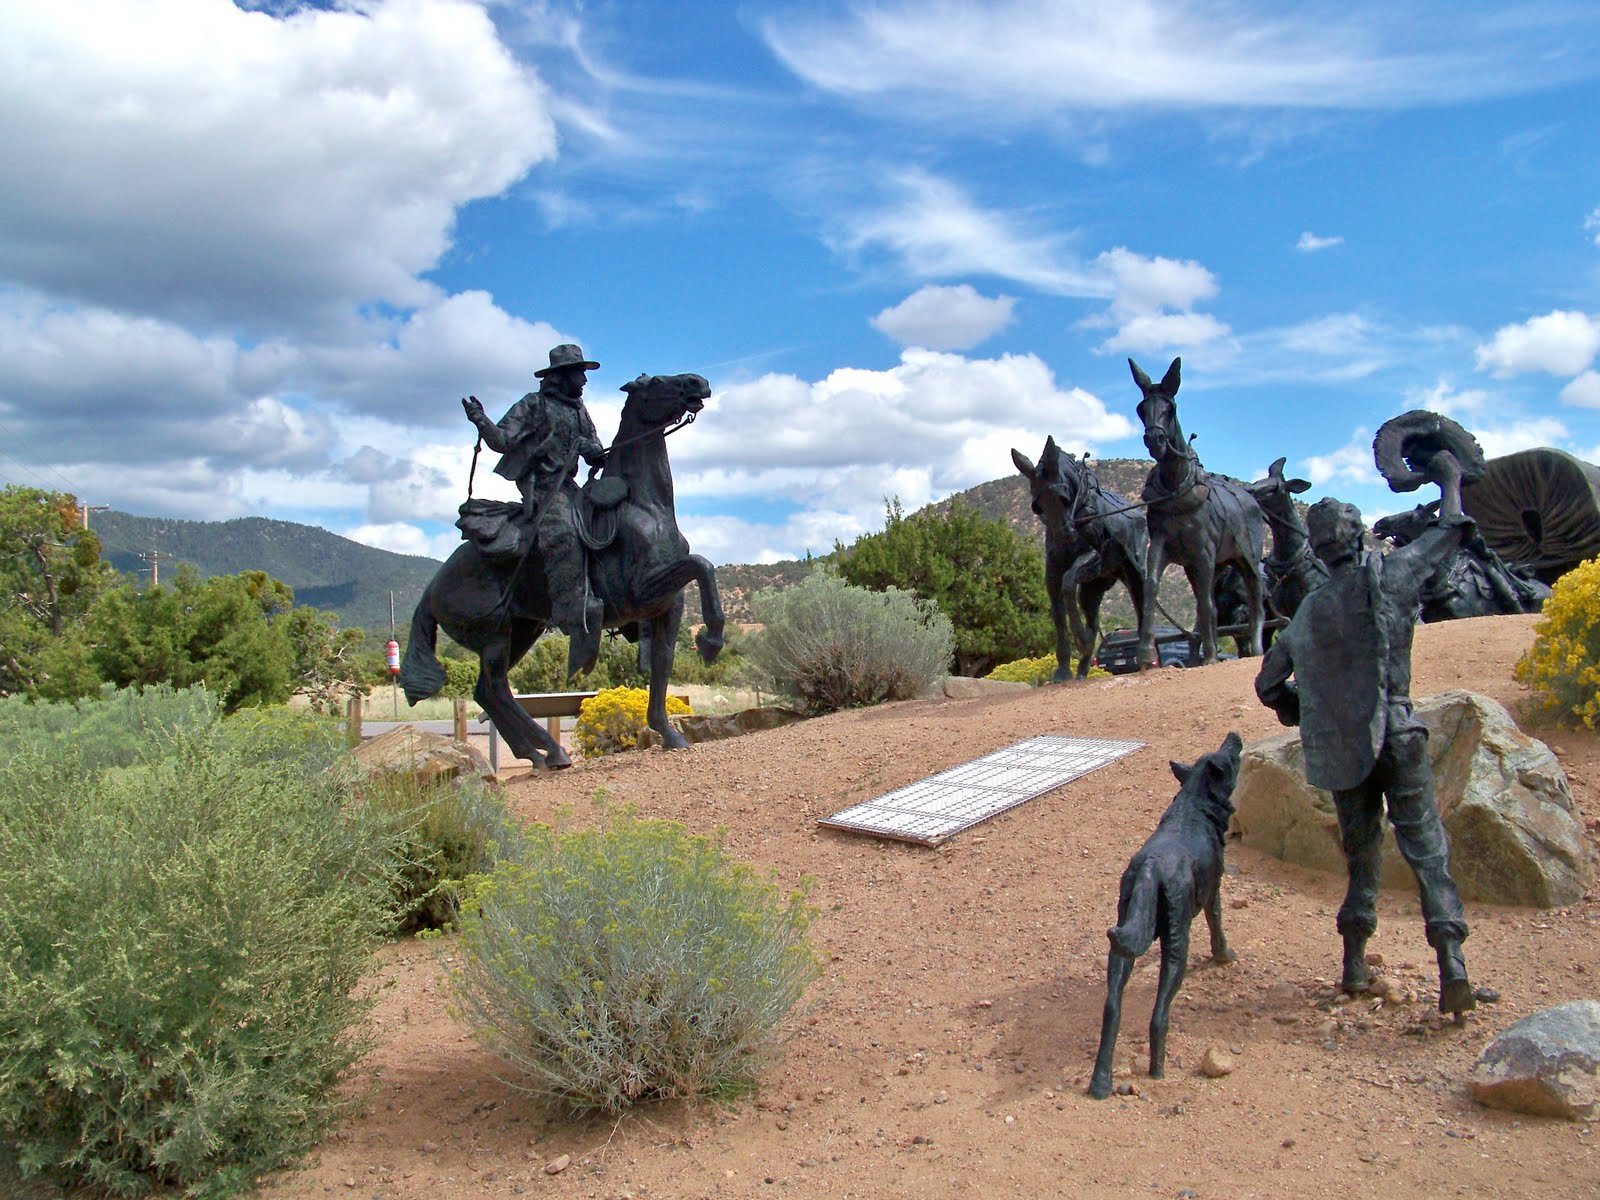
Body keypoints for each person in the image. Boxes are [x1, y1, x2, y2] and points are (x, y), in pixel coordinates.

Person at [1253, 481, 1478, 1015]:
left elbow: (1266, 684)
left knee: (1362, 858)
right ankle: (1452, 969)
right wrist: (1448, 480)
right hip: (1397, 732)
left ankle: (1354, 966)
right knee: (1427, 853)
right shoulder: (1391, 576)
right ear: (1356, 539)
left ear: (1318, 548)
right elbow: (1448, 530)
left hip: (1344, 750)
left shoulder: (1308, 611)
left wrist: (1302, 711)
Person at [463, 344, 607, 677]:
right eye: (578, 372)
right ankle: (570, 609)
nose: (584, 379)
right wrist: (481, 420)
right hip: (543, 489)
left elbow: (595, 447)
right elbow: (501, 440)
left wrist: (593, 450)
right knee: (564, 532)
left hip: (570, 487)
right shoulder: (534, 404)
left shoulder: (579, 409)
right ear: (561, 376)